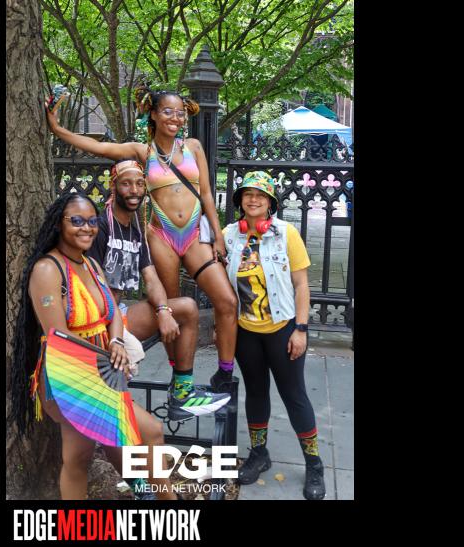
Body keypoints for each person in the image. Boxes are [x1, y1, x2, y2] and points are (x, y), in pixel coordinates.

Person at [45, 85, 239, 409]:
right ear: (154, 114)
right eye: (168, 111)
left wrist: (217, 234)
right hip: (162, 236)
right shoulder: (142, 151)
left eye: (180, 113)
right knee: (172, 310)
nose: (175, 118)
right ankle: (180, 382)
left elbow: (206, 193)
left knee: (227, 300)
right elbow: (99, 146)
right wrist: (58, 129)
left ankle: (225, 373)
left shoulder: (193, 147)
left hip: (194, 234)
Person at [10, 191, 178, 500]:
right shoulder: (48, 269)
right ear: (59, 224)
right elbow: (58, 335)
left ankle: (145, 494)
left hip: (102, 369)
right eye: (76, 221)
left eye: (92, 221)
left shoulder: (91, 266)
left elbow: (112, 313)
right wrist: (107, 356)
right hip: (69, 374)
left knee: (85, 453)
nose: (86, 228)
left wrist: (115, 341)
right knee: (147, 432)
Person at [86, 158, 230, 421]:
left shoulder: (135, 230)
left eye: (140, 184)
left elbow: (151, 278)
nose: (134, 190)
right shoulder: (100, 227)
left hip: (120, 314)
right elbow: (93, 285)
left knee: (186, 308)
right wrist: (116, 334)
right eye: (126, 184)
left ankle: (181, 395)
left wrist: (163, 310)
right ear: (113, 187)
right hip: (96, 320)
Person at [221, 171, 326, 500]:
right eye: (248, 194)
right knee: (255, 393)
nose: (253, 200)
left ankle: (314, 464)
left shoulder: (286, 234)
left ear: (270, 203)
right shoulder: (228, 236)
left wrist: (301, 329)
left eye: (261, 195)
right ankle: (259, 454)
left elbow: (301, 285)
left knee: (294, 395)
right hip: (246, 333)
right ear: (240, 201)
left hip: (283, 329)